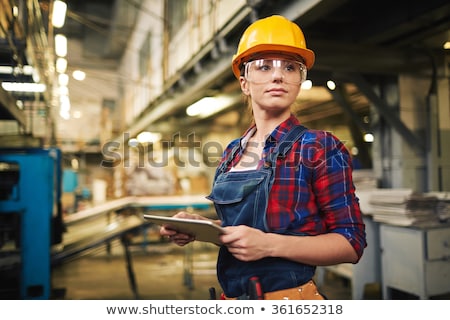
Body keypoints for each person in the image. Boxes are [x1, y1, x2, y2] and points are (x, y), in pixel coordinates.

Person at [160, 15, 366, 300]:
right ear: (245, 83)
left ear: (299, 80)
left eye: (290, 67)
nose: (278, 75)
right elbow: (249, 229)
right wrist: (201, 229)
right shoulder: (232, 152)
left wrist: (270, 246)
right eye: (264, 66)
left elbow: (351, 243)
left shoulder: (319, 147)